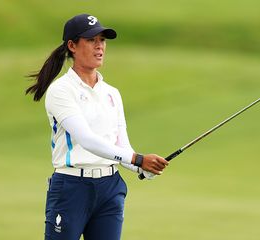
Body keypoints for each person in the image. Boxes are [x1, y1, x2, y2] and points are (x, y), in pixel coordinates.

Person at [26, 13, 169, 240]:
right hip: (72, 187)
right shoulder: (61, 90)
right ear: (72, 46)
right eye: (91, 40)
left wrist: (142, 168)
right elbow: (87, 139)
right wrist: (139, 159)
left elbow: (121, 144)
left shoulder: (112, 93)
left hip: (110, 188)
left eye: (102, 40)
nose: (99, 46)